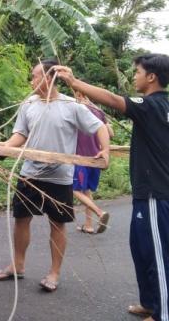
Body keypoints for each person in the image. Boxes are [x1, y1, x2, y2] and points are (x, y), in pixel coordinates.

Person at [54, 54, 169, 321]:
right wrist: (166, 154)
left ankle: (164, 315)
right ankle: (150, 304)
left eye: (138, 72)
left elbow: (114, 100)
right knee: (141, 248)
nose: (134, 76)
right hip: (149, 192)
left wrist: (74, 81)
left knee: (158, 255)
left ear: (151, 77)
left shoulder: (149, 105)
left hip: (156, 194)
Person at [0, 59, 110, 292]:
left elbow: (100, 127)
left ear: (50, 78)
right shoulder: (28, 104)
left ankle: (54, 273)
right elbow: (20, 134)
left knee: (57, 224)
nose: (32, 80)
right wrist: (5, 147)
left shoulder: (72, 106)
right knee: (21, 220)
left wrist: (104, 150)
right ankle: (18, 264)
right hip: (29, 174)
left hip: (59, 177)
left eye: (35, 76)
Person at [73, 93, 114, 234]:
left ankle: (99, 212)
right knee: (86, 191)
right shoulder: (98, 110)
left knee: (74, 189)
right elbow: (111, 133)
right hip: (96, 158)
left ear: (78, 93)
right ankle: (89, 225)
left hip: (81, 158)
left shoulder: (76, 109)